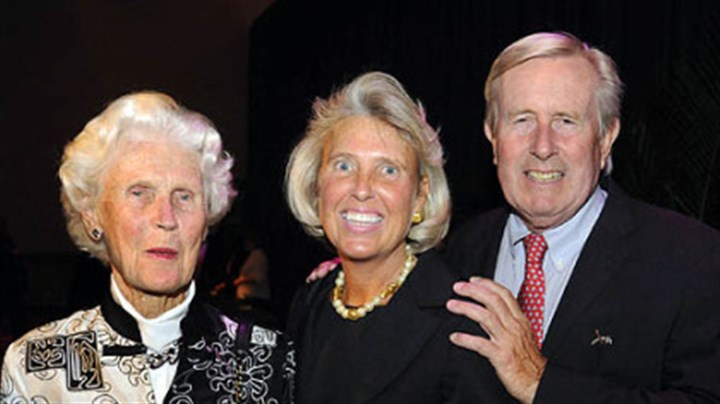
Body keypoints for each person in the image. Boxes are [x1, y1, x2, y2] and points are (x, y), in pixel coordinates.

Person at [445, 31, 720, 403]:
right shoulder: (459, 253)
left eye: (565, 121)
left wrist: (539, 382)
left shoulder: (692, 260)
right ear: (493, 137)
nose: (543, 146)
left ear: (606, 138)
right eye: (522, 120)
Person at [0, 92, 295, 403]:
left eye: (184, 196)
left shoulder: (268, 361)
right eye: (140, 193)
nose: (166, 219)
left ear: (207, 220)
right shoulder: (35, 369)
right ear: (93, 216)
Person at [284, 71, 506, 403]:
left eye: (388, 170)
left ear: (419, 196)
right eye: (344, 166)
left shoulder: (462, 322)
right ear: (318, 185)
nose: (362, 189)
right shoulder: (309, 303)